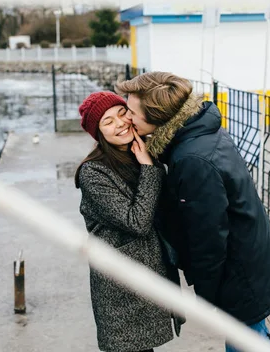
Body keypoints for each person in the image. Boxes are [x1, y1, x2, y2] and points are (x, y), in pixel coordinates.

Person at [116, 72, 270, 351]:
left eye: (132, 112)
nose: (127, 119)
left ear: (157, 118)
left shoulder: (192, 160)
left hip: (242, 276)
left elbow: (208, 239)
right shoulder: (199, 130)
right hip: (255, 258)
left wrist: (206, 298)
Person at [75, 91, 180, 352]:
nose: (120, 124)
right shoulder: (94, 173)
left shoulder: (144, 151)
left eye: (122, 113)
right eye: (107, 122)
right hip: (121, 288)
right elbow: (137, 221)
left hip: (149, 277)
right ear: (98, 134)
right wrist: (148, 168)